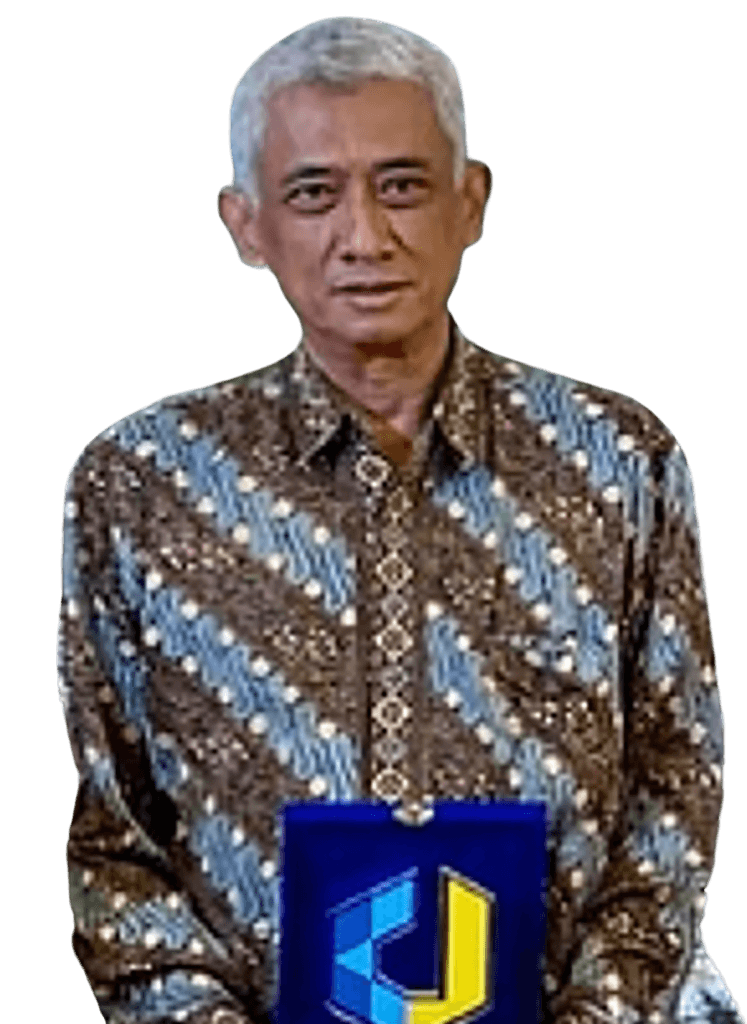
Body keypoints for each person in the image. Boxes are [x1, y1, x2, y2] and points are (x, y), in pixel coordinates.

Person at [59, 16, 742, 1024]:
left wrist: (597, 1015)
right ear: (245, 226)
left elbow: (676, 784)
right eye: (313, 193)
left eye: (403, 185)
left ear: (472, 202)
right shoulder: (141, 483)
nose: (365, 237)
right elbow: (114, 838)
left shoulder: (619, 459)